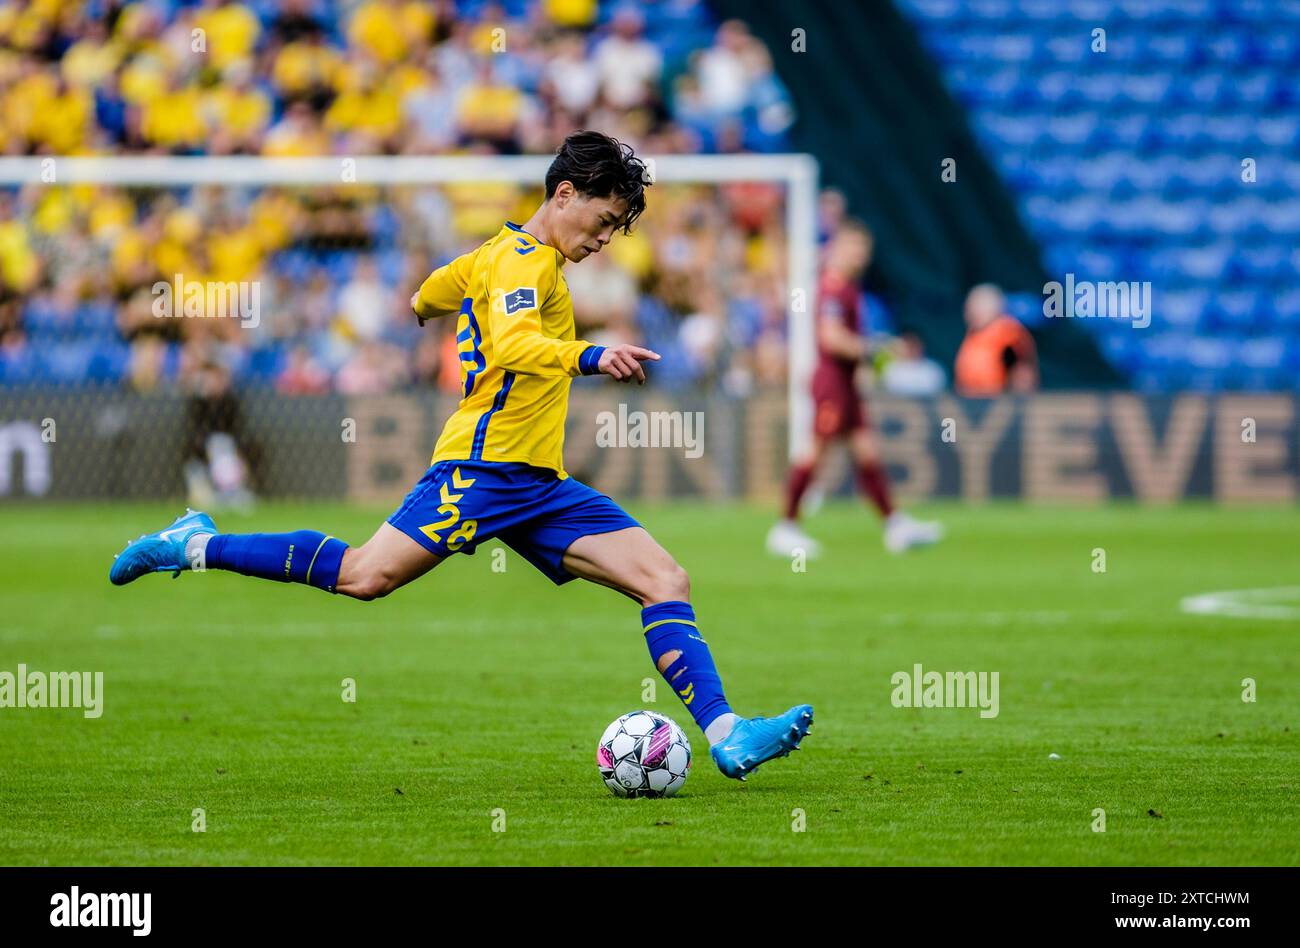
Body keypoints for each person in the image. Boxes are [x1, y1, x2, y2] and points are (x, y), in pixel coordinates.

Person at [110, 131, 812, 782]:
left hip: (539, 483)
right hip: (479, 472)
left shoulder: (497, 256)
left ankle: (726, 734)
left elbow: (427, 294)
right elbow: (509, 346)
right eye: (603, 220)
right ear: (563, 193)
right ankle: (195, 544)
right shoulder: (521, 262)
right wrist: (590, 353)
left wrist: (435, 299)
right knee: (363, 575)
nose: (604, 239)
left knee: (664, 578)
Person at [767, 222, 943, 558]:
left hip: (845, 385)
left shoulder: (847, 287)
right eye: (854, 248)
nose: (860, 256)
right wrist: (877, 349)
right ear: (838, 249)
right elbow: (832, 338)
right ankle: (785, 528)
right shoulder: (833, 288)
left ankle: (895, 525)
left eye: (864, 250)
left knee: (868, 454)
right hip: (832, 384)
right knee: (814, 454)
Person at [954, 283, 1039, 396]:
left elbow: (1023, 373)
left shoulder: (1008, 334)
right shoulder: (973, 335)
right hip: (973, 402)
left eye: (975, 306)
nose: (969, 312)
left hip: (999, 403)